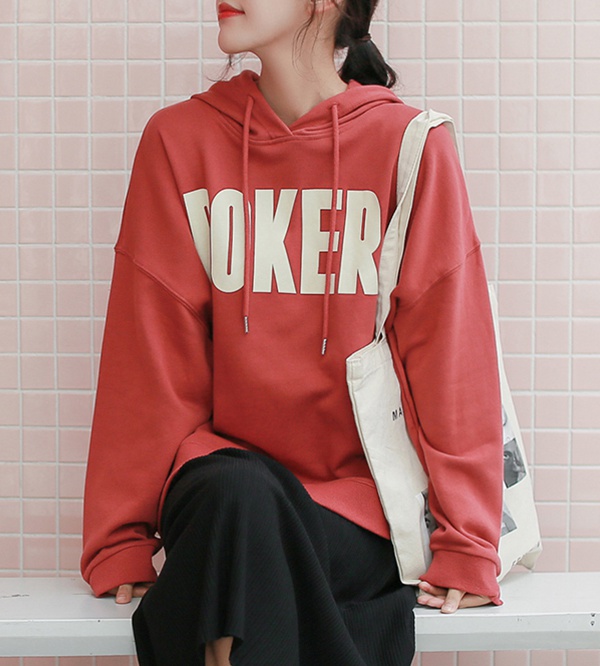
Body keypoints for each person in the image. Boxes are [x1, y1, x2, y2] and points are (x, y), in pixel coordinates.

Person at [80, 0, 505, 664]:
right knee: (240, 497)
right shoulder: (181, 141)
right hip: (220, 496)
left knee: (252, 555)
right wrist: (120, 536)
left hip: (351, 514)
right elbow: (150, 351)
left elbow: (450, 350)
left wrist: (470, 542)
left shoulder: (409, 145)